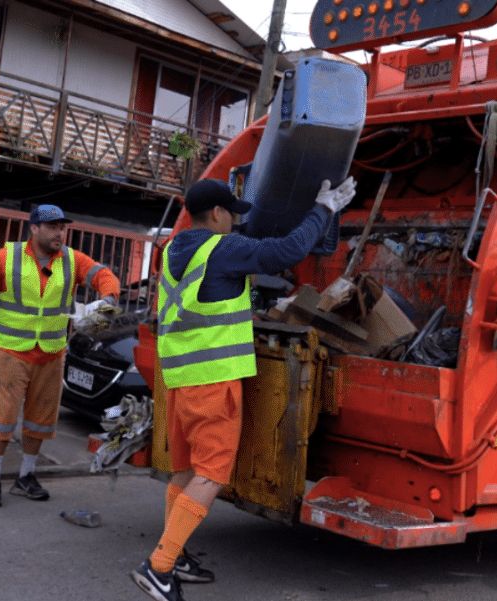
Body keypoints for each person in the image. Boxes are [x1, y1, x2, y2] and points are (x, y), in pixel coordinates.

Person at [130, 176, 356, 601]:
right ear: (216, 214)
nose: (235, 221)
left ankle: (173, 555)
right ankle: (158, 566)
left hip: (178, 379)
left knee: (184, 470)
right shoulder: (223, 249)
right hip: (212, 381)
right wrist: (323, 209)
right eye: (232, 213)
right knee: (212, 475)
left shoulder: (175, 250)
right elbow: (287, 252)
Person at [0, 204, 120, 506]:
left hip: (51, 354)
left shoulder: (71, 260)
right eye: (53, 227)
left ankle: (26, 476)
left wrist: (108, 299)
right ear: (34, 229)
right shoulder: (7, 258)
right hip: (10, 353)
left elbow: (103, 274)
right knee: (3, 417)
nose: (60, 233)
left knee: (41, 420)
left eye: (62, 227)